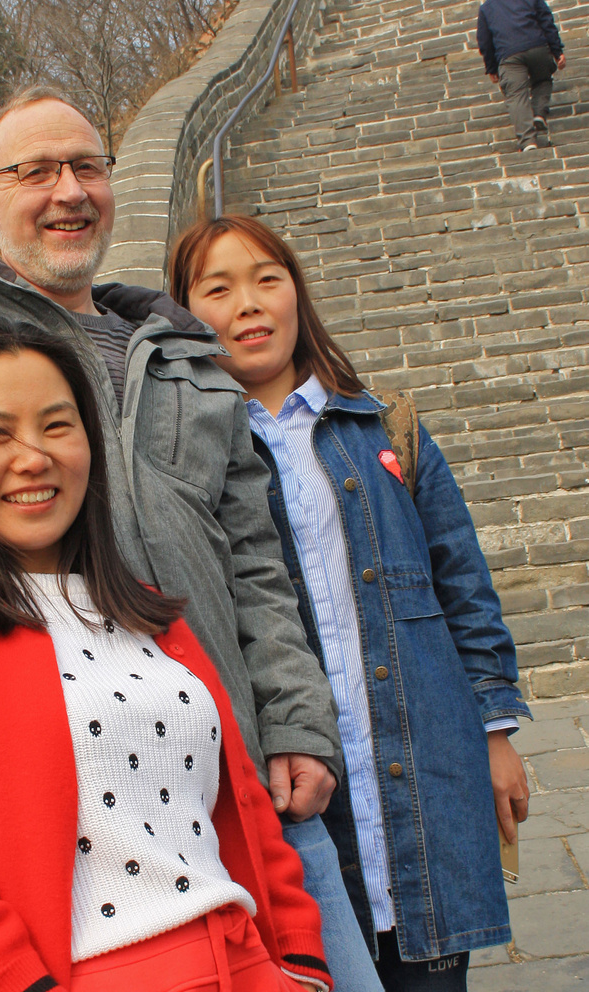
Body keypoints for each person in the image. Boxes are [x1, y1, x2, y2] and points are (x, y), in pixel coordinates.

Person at [0, 85, 356, 959]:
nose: (68, 190)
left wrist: (295, 719)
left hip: (237, 803)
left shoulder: (191, 360)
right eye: (35, 170)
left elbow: (253, 564)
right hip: (48, 844)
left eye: (88, 166)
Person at [0, 316, 334, 992]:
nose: (33, 457)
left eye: (56, 425)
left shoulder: (149, 612)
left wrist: (299, 962)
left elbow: (242, 802)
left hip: (245, 961)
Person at [169, 214, 533, 991]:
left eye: (267, 277)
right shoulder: (188, 465)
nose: (248, 303)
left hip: (418, 771)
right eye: (217, 287)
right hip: (295, 789)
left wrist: (494, 732)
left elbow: (461, 583)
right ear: (184, 312)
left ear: (297, 292)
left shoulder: (383, 426)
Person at [477, 0, 565, 152]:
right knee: (542, 79)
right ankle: (539, 113)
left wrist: (491, 68)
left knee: (516, 95)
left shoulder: (487, 8)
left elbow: (484, 41)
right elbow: (547, 24)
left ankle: (528, 143)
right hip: (537, 47)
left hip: (509, 56)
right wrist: (557, 52)